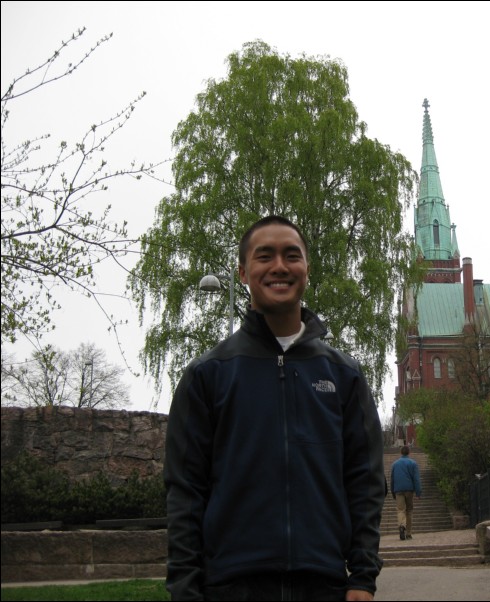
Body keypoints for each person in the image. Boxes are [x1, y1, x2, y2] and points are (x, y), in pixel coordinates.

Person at [164, 215, 385, 601]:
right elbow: (185, 491)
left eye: (291, 255)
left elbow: (364, 483)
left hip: (324, 585)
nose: (279, 266)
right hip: (232, 587)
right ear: (243, 271)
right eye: (264, 256)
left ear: (306, 269)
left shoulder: (343, 375)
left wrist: (362, 578)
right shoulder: (209, 375)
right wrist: (185, 589)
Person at [390, 445, 421, 541]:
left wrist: (392, 491)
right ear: (409, 452)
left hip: (398, 490)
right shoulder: (413, 463)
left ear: (400, 452)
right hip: (409, 490)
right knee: (409, 510)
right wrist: (418, 492)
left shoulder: (395, 464)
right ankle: (408, 533)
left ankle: (401, 525)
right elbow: (416, 479)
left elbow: (392, 479)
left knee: (400, 510)